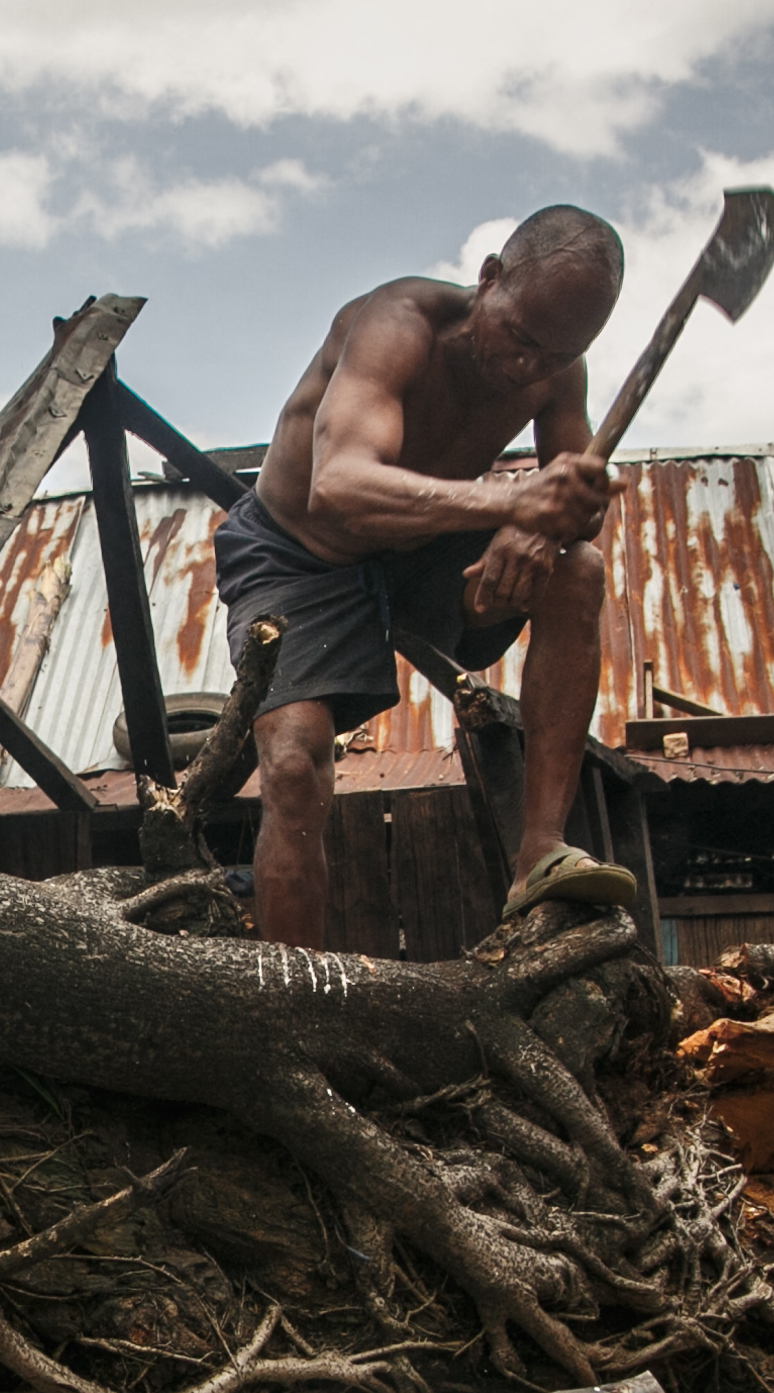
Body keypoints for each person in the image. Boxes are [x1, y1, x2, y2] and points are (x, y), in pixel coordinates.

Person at [212, 206, 632, 949]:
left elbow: (577, 509)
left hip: (421, 548)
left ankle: (539, 852)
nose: (529, 366)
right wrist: (514, 502)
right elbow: (337, 485)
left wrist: (537, 525)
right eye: (521, 338)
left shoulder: (558, 364)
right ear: (490, 279)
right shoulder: (396, 324)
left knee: (579, 572)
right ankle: (288, 1011)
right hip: (299, 554)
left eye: (557, 354)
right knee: (293, 768)